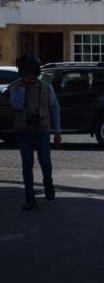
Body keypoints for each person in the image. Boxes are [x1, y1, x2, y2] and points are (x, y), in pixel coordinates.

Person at [9, 54, 62, 211]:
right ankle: (29, 198)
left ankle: (48, 184)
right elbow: (16, 105)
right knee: (27, 165)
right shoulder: (16, 87)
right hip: (24, 131)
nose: (30, 76)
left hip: (42, 130)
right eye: (27, 73)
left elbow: (55, 109)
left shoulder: (47, 88)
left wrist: (57, 132)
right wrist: (23, 88)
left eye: (32, 72)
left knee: (45, 162)